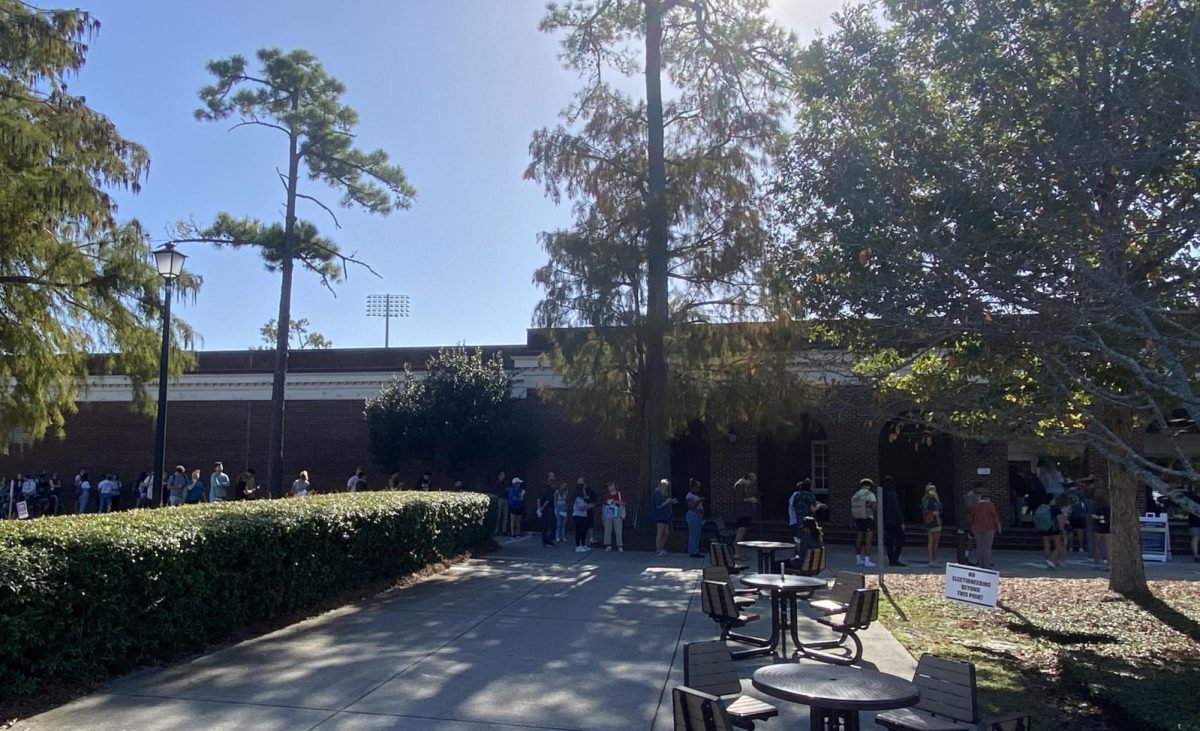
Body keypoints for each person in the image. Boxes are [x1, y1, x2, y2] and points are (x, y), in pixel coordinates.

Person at [970, 488, 1001, 569]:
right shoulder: (991, 505)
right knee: (987, 547)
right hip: (989, 528)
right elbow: (995, 516)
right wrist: (998, 526)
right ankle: (986, 565)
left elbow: (971, 516)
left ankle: (980, 564)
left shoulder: (976, 505)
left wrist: (971, 526)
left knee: (979, 547)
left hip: (976, 528)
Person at [851, 478, 877, 567]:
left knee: (859, 537)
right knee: (868, 539)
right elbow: (874, 507)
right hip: (868, 517)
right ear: (869, 486)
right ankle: (867, 560)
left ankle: (858, 559)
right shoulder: (870, 495)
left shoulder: (856, 494)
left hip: (858, 517)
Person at [881, 475, 906, 567]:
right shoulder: (893, 494)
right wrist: (902, 521)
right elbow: (897, 508)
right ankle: (894, 559)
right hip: (895, 520)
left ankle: (891, 558)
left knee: (889, 540)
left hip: (887, 521)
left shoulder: (883, 494)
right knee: (900, 540)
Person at [1036, 494, 1067, 569]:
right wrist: (1062, 530)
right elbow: (1060, 520)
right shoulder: (1055, 509)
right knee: (1058, 545)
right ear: (1051, 500)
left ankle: (1047, 560)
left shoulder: (1041, 507)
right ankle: (1051, 560)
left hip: (1043, 528)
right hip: (1053, 528)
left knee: (1046, 545)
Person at [732, 477, 759, 560]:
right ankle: (737, 553)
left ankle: (740, 552)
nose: (751, 484)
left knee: (743, 534)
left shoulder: (744, 486)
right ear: (748, 479)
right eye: (752, 482)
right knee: (740, 533)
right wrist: (750, 499)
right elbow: (738, 500)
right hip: (742, 514)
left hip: (746, 513)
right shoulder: (739, 485)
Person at [651, 478, 677, 556]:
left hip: (665, 516)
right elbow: (658, 505)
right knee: (660, 533)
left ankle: (662, 547)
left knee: (666, 533)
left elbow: (666, 501)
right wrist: (667, 501)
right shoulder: (657, 494)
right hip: (659, 516)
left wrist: (671, 501)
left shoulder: (663, 494)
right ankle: (658, 550)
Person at [1063, 480, 1089, 554]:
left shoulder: (1066, 493)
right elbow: (1085, 502)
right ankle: (1080, 547)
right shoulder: (1080, 493)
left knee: (1070, 531)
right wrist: (1085, 512)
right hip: (1079, 513)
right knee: (1079, 530)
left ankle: (1071, 547)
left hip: (1069, 514)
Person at [921, 483, 943, 566]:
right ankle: (932, 559)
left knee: (933, 541)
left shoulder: (927, 499)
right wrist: (933, 513)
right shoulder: (927, 500)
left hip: (933, 521)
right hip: (933, 521)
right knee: (933, 541)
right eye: (932, 490)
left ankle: (933, 559)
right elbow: (926, 509)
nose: (934, 492)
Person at [601, 481, 625, 552]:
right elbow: (604, 505)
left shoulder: (619, 494)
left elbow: (624, 503)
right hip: (609, 514)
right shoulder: (607, 495)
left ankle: (620, 545)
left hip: (617, 514)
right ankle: (608, 545)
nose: (609, 488)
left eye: (610, 486)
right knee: (608, 530)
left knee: (618, 530)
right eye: (608, 487)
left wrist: (616, 502)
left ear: (614, 486)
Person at [685, 478, 706, 558]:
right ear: (692, 487)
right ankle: (692, 552)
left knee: (697, 534)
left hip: (698, 516)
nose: (698, 489)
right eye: (697, 487)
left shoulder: (695, 496)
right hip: (693, 515)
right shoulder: (689, 496)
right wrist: (699, 500)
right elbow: (692, 506)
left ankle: (696, 551)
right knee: (693, 534)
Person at [1090, 489, 1111, 570]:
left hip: (1098, 526)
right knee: (1108, 546)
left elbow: (1092, 515)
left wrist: (1098, 518)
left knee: (1097, 545)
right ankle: (1109, 564)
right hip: (1107, 526)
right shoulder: (1109, 506)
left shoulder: (1095, 505)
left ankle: (1097, 563)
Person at [572, 483, 593, 552]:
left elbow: (585, 506)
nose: (584, 491)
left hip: (584, 516)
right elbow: (581, 508)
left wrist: (588, 505)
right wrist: (589, 506)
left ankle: (583, 544)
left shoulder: (584, 499)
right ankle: (578, 546)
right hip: (578, 516)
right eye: (583, 489)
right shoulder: (578, 498)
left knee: (584, 531)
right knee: (579, 531)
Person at [580, 477, 599, 546]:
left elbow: (594, 501)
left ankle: (591, 539)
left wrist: (588, 506)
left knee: (590, 524)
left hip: (588, 510)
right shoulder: (578, 491)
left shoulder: (591, 491)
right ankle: (581, 540)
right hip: (580, 512)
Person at [537, 479, 556, 548]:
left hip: (544, 511)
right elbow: (547, 501)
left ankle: (544, 541)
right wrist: (542, 508)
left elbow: (538, 499)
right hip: (549, 510)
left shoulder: (542, 490)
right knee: (551, 526)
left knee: (544, 526)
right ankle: (548, 541)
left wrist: (539, 509)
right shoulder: (550, 492)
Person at [494, 470, 510, 536]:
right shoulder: (497, 483)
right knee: (499, 515)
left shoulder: (505, 483)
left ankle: (504, 530)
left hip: (505, 499)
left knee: (505, 515)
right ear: (499, 476)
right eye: (502, 474)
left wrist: (505, 491)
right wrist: (504, 491)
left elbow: (508, 489)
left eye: (504, 475)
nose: (503, 476)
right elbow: (497, 491)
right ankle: (496, 529)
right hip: (500, 498)